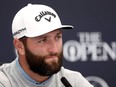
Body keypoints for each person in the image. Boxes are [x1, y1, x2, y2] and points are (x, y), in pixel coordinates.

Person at [0, 3, 93, 87]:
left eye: (58, 37)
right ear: (19, 46)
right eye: (42, 40)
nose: (54, 49)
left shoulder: (74, 82)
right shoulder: (4, 81)